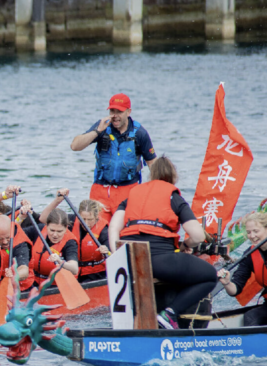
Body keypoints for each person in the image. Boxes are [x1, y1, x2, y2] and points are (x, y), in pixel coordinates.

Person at [109, 156, 216, 330]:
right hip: (159, 261)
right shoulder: (173, 197)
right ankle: (169, 314)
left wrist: (118, 257)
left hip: (129, 260)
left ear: (152, 175)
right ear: (173, 177)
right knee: (210, 275)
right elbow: (198, 236)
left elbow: (113, 228)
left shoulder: (132, 195)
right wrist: (185, 245)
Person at [70, 93, 158, 224]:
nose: (115, 115)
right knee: (97, 231)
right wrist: (97, 131)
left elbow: (153, 164)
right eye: (112, 111)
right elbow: (75, 146)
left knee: (124, 232)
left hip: (128, 191)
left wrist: (157, 192)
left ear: (128, 112)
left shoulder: (140, 133)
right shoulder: (102, 127)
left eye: (119, 111)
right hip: (100, 190)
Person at [38, 189, 110, 283]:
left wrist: (106, 251)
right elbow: (43, 219)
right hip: (72, 272)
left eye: (90, 219)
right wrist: (57, 201)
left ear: (96, 217)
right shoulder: (72, 220)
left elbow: (111, 254)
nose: (86, 223)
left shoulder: (104, 230)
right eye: (83, 219)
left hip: (96, 274)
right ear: (78, 215)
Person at [25, 207, 80, 286]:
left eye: (59, 231)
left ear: (66, 228)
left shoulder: (70, 242)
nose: (55, 235)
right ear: (46, 226)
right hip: (35, 281)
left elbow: (74, 269)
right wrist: (20, 217)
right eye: (52, 230)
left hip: (58, 285)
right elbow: (16, 234)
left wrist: (60, 261)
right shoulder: (39, 230)